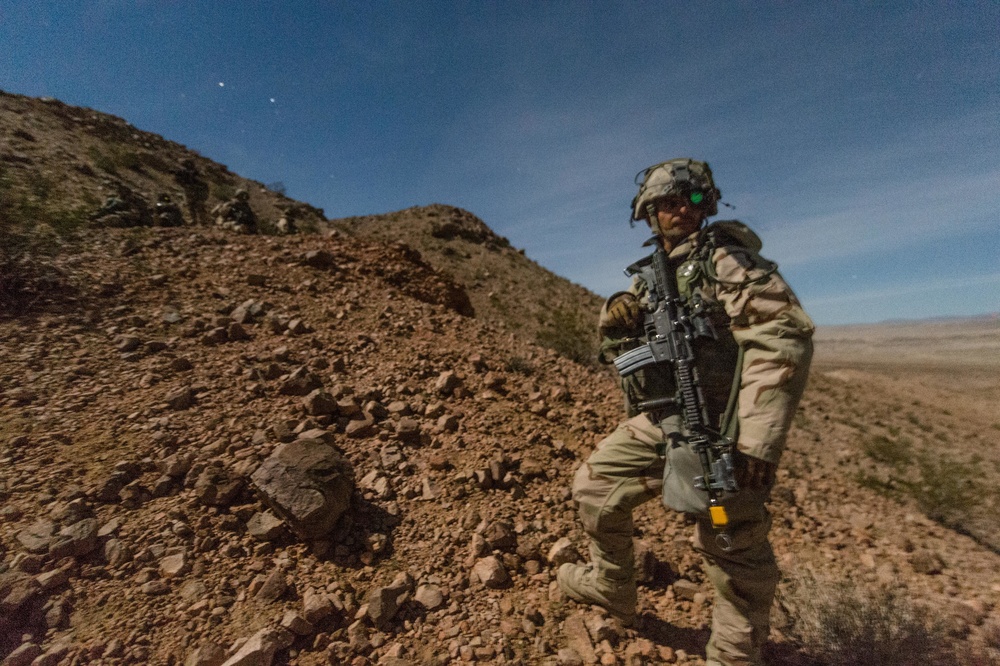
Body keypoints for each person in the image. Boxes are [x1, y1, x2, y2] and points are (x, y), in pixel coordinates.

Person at [558, 158, 814, 665]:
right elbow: (621, 355)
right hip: (663, 419)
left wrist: (757, 439)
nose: (679, 210)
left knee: (727, 539)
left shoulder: (726, 261)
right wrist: (614, 319)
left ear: (708, 204)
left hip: (722, 433)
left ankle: (733, 655)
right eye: (665, 203)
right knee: (593, 487)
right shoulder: (652, 277)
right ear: (648, 214)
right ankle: (613, 588)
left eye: (691, 200)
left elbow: (780, 335)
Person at [173, 159, 210, 225]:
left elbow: (204, 181)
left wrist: (194, 177)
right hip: (189, 190)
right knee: (190, 205)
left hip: (199, 191)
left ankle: (203, 221)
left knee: (199, 205)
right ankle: (194, 220)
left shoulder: (197, 172)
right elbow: (178, 181)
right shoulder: (182, 173)